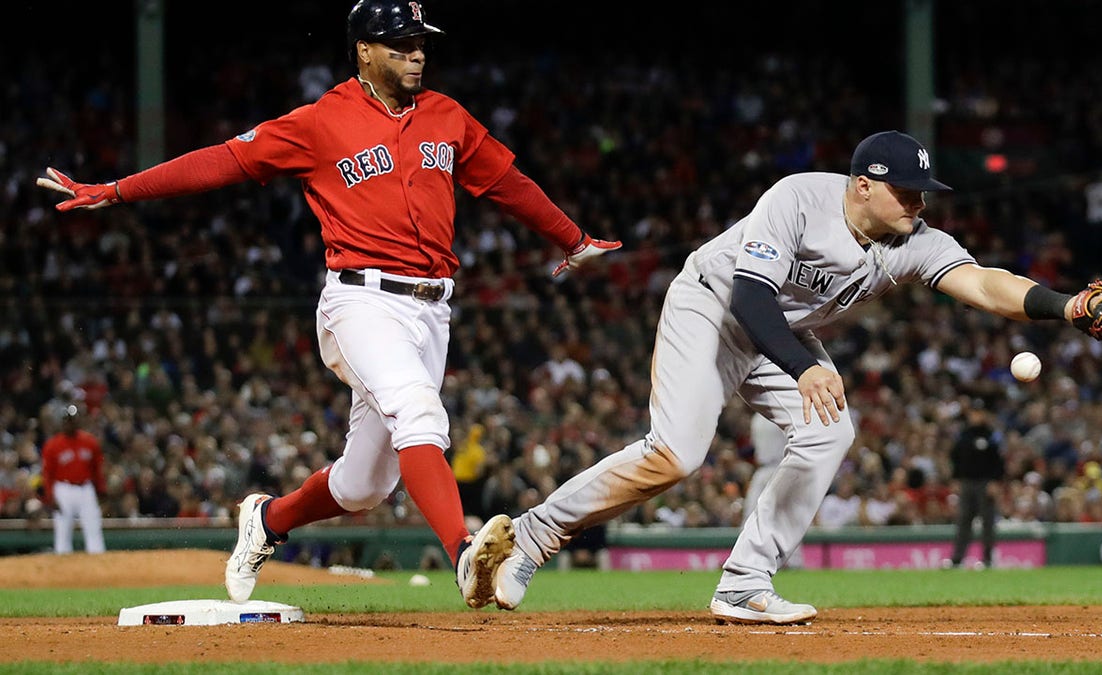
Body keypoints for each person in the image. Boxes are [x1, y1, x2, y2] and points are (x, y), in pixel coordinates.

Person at [36, 0, 619, 608]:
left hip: (431, 312)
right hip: (360, 302)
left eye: (420, 42)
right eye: (400, 44)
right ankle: (464, 553)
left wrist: (572, 238)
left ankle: (267, 522)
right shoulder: (321, 121)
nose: (417, 53)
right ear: (364, 50)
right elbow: (225, 160)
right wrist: (119, 190)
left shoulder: (447, 117)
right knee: (419, 414)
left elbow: (506, 183)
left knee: (364, 484)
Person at [477, 130, 1102, 625]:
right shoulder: (800, 198)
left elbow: (984, 282)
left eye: (923, 193)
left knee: (832, 431)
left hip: (781, 330)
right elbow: (750, 295)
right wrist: (803, 366)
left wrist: (1065, 305)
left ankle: (745, 581)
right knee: (677, 454)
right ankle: (533, 535)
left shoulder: (914, 241)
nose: (916, 205)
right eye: (904, 191)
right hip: (713, 303)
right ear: (863, 184)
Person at [942, 403, 1005, 569]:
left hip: (985, 483)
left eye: (979, 412)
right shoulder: (963, 435)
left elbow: (998, 461)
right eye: (973, 412)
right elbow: (955, 458)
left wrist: (995, 481)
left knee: (987, 522)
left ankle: (987, 559)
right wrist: (955, 478)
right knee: (963, 521)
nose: (975, 416)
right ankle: (957, 559)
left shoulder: (991, 435)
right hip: (966, 483)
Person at [40, 404, 107, 554]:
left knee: (93, 528)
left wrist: (101, 490)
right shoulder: (52, 445)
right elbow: (47, 474)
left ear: (77, 421)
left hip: (86, 489)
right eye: (66, 420)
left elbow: (98, 470)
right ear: (62, 422)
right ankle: (64, 571)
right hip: (63, 489)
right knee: (63, 532)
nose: (69, 423)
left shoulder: (90, 442)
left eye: (72, 419)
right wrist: (50, 496)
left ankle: (99, 566)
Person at [742, 412, 787, 524]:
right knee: (749, 517)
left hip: (780, 467)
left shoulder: (783, 414)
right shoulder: (757, 418)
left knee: (785, 517)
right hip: (764, 469)